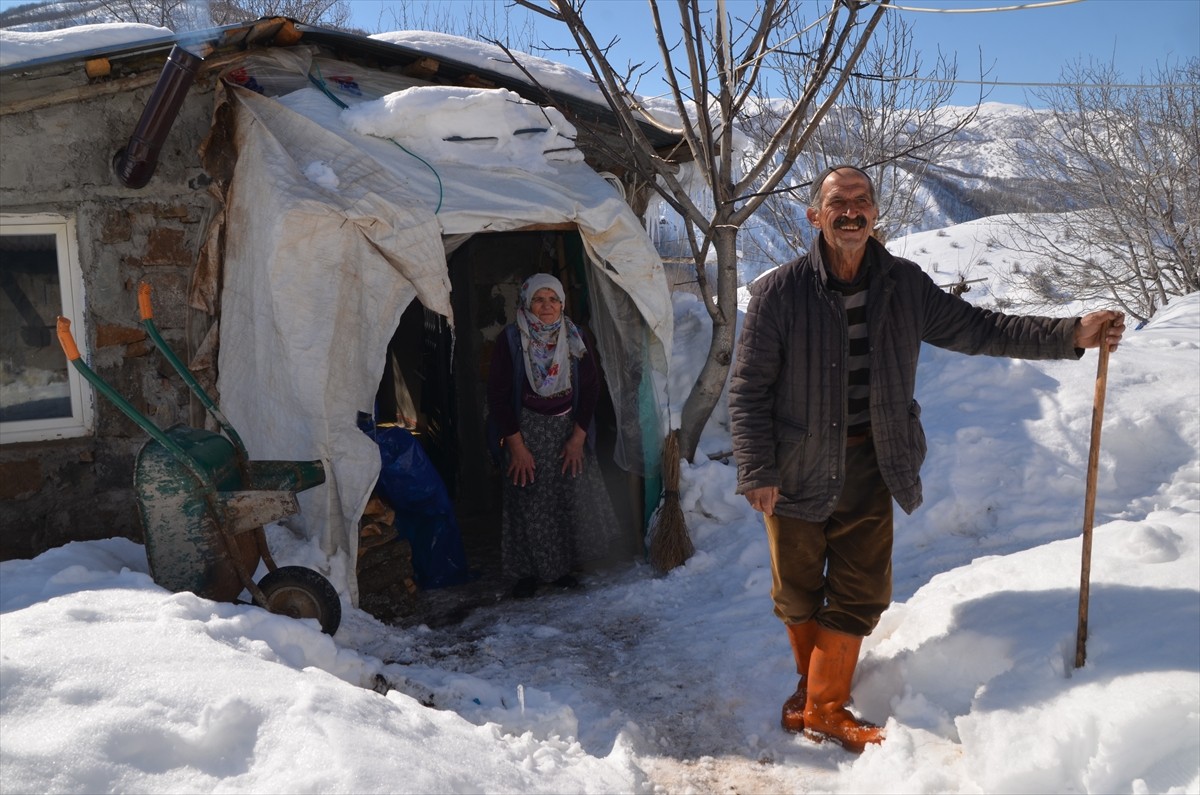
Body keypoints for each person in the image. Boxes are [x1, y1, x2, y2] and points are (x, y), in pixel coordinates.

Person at [727, 165, 1125, 753]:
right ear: (815, 215)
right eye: (839, 201)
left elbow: (980, 327)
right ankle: (811, 686)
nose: (852, 211)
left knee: (861, 591)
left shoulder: (903, 286)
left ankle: (823, 705)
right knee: (798, 591)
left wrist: (1070, 334)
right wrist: (757, 470)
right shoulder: (779, 294)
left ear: (875, 214)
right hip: (796, 468)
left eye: (862, 201)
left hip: (873, 460)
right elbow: (748, 389)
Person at [486, 273, 619, 599]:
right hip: (525, 430)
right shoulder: (512, 339)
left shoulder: (575, 337)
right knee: (526, 498)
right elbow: (499, 395)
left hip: (567, 429)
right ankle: (526, 574)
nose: (547, 306)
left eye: (553, 299)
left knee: (565, 498)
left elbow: (590, 389)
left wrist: (577, 438)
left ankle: (561, 569)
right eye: (539, 299)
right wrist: (516, 445)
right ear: (526, 302)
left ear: (562, 303)